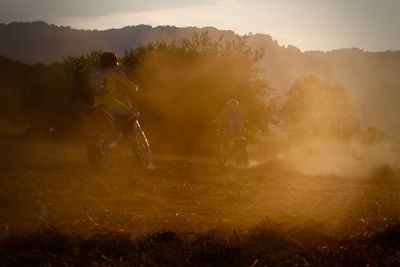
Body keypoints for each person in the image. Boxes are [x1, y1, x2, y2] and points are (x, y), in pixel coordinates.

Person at [89, 52, 139, 124]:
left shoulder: (94, 75)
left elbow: (90, 89)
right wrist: (136, 87)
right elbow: (131, 87)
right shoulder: (115, 71)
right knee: (134, 112)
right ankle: (128, 135)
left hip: (96, 105)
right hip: (109, 103)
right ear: (113, 62)